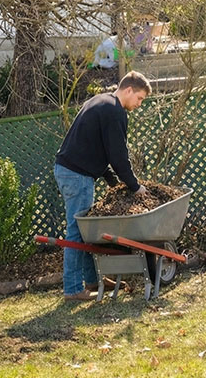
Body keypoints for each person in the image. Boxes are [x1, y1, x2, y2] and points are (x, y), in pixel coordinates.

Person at [54, 71, 151, 301]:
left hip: (72, 171)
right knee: (77, 231)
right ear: (128, 90)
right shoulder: (114, 111)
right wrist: (135, 186)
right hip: (77, 175)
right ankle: (73, 289)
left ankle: (93, 280)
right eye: (139, 99)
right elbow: (118, 156)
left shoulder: (99, 101)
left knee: (86, 231)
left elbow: (97, 149)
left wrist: (112, 182)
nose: (139, 105)